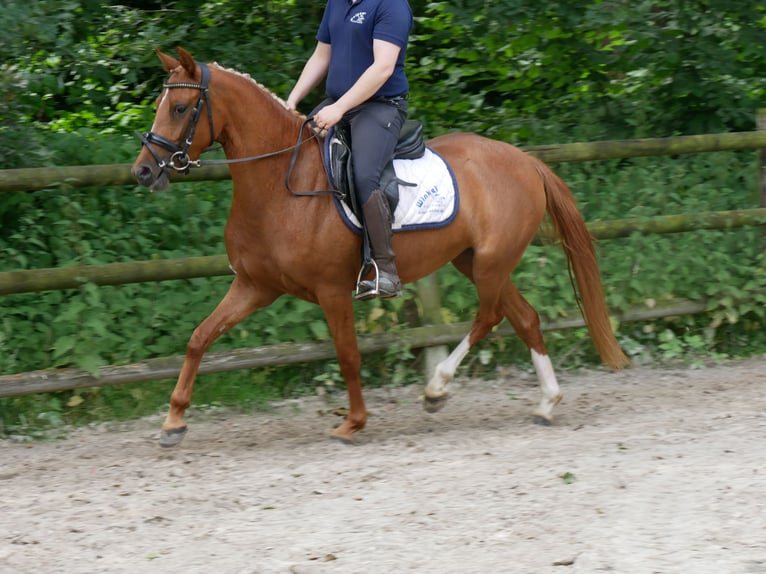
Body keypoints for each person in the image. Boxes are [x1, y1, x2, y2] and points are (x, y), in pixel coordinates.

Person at [286, 0, 414, 300]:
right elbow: (321, 56)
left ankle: (386, 271)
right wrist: (290, 102)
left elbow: (382, 68)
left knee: (364, 175)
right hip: (338, 105)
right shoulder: (337, 3)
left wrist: (339, 109)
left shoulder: (391, 5)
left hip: (380, 107)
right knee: (293, 153)